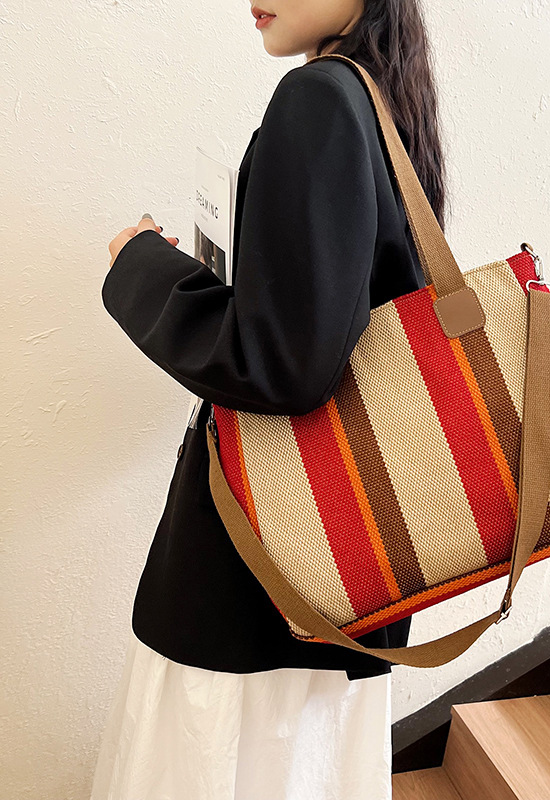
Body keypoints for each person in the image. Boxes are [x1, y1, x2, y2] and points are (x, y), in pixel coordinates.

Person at [90, 0, 448, 797]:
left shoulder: (320, 96)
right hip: (342, 572)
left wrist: (139, 264)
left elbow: (283, 366)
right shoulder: (386, 98)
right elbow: (318, 332)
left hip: (257, 586)